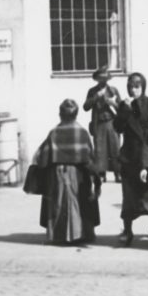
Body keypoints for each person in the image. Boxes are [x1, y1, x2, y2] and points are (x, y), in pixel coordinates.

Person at [32, 99, 101, 245]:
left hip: (57, 174)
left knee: (58, 202)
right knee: (79, 202)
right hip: (78, 174)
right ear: (76, 114)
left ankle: (59, 235)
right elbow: (89, 157)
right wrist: (95, 177)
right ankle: (81, 234)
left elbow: (42, 156)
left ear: (60, 114)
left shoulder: (54, 132)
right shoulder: (82, 132)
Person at [113, 73, 148, 245]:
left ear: (143, 87)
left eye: (137, 86)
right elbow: (117, 127)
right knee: (129, 194)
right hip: (130, 156)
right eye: (131, 86)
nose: (133, 90)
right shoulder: (124, 105)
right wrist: (125, 110)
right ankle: (127, 230)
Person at [83, 66, 121, 182]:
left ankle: (117, 173)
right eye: (100, 78)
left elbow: (122, 108)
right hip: (98, 123)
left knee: (115, 148)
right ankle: (101, 174)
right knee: (100, 150)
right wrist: (96, 97)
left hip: (112, 122)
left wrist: (113, 104)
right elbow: (86, 107)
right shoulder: (92, 91)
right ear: (97, 79)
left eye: (105, 78)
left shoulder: (113, 91)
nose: (103, 81)